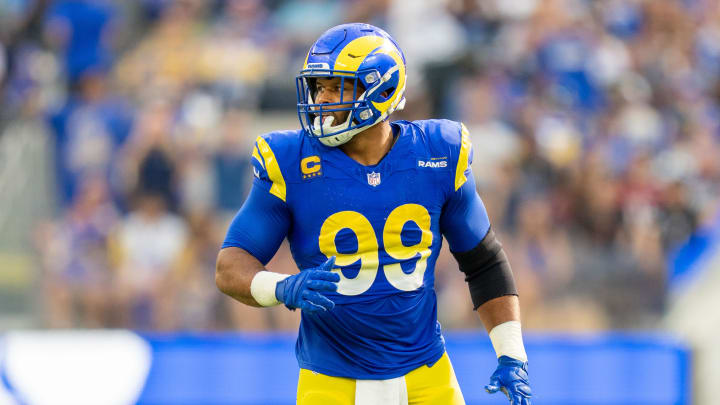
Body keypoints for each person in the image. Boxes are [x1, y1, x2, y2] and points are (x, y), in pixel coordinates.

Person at [216, 23, 532, 405]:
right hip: (331, 381)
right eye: (319, 87)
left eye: (336, 87)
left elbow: (483, 261)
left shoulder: (438, 153)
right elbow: (230, 265)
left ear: (379, 90)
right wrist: (281, 287)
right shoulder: (290, 160)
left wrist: (511, 352)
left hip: (426, 376)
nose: (321, 99)